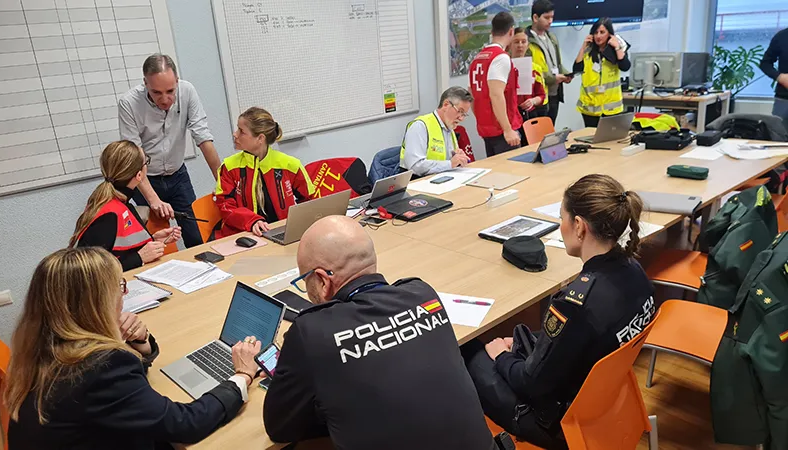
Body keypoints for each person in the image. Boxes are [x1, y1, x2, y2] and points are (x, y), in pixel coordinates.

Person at [262, 216, 497, 449]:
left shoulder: (310, 332)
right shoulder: (423, 294)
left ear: (323, 281)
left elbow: (280, 428)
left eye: (306, 280)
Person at [462, 174, 656, 449]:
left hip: (556, 420)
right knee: (515, 342)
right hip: (605, 398)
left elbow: (530, 384)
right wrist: (520, 343)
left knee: (467, 350)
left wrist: (502, 356)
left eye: (561, 218)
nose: (560, 225)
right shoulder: (635, 271)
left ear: (578, 226)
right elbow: (574, 338)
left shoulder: (574, 304)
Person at [4, 247, 262, 449]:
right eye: (119, 286)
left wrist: (140, 345)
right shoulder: (100, 367)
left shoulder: (44, 345)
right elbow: (186, 424)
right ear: (95, 302)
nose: (123, 295)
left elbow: (115, 396)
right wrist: (241, 377)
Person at [118, 53, 220, 248]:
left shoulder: (187, 91)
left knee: (197, 237)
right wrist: (153, 199)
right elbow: (135, 154)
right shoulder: (129, 103)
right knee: (152, 243)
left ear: (177, 81)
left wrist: (223, 181)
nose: (165, 99)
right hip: (145, 180)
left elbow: (203, 137)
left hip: (178, 175)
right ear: (145, 84)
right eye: (157, 92)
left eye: (170, 91)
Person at [70, 140, 181, 271]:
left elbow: (118, 250)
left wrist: (153, 240)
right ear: (139, 176)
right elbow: (92, 270)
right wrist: (139, 258)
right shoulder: (109, 213)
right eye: (146, 162)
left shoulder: (123, 203)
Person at [214, 107, 314, 239]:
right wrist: (251, 221)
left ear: (260, 138)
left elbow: (310, 202)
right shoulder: (229, 167)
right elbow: (225, 206)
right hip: (242, 236)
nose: (235, 134)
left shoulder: (291, 165)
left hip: (282, 234)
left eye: (241, 131)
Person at [469, 12, 524, 157]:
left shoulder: (478, 58)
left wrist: (482, 119)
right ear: (511, 31)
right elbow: (496, 94)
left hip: (487, 128)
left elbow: (472, 94)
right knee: (512, 174)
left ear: (492, 32)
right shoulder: (500, 57)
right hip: (501, 130)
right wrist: (507, 129)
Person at [399, 86, 473, 177]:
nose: (461, 118)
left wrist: (458, 158)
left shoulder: (449, 127)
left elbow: (445, 159)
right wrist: (450, 164)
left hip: (440, 179)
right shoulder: (420, 126)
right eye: (459, 111)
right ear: (446, 105)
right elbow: (415, 166)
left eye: (464, 114)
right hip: (418, 182)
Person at [573, 18, 631, 128]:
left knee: (610, 141)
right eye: (596, 33)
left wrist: (617, 47)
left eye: (602, 32)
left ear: (609, 34)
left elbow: (625, 66)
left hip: (611, 108)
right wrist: (583, 46)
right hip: (590, 107)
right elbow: (577, 69)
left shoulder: (616, 51)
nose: (598, 36)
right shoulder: (588, 51)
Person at [526, 0, 571, 125]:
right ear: (535, 17)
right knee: (537, 136)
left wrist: (567, 74)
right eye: (546, 17)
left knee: (551, 131)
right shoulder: (526, 41)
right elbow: (529, 73)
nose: (550, 21)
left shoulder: (552, 37)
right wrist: (553, 78)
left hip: (554, 94)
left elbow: (558, 64)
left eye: (552, 17)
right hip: (538, 99)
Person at [510, 28, 548, 122]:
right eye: (516, 42)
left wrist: (532, 101)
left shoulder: (535, 69)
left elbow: (541, 95)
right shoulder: (504, 67)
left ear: (528, 45)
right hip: (510, 116)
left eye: (523, 42)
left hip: (529, 116)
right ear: (510, 44)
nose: (520, 45)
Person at [760, 27, 788, 130]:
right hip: (784, 99)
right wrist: (780, 77)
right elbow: (765, 63)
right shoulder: (782, 36)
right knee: (778, 137)